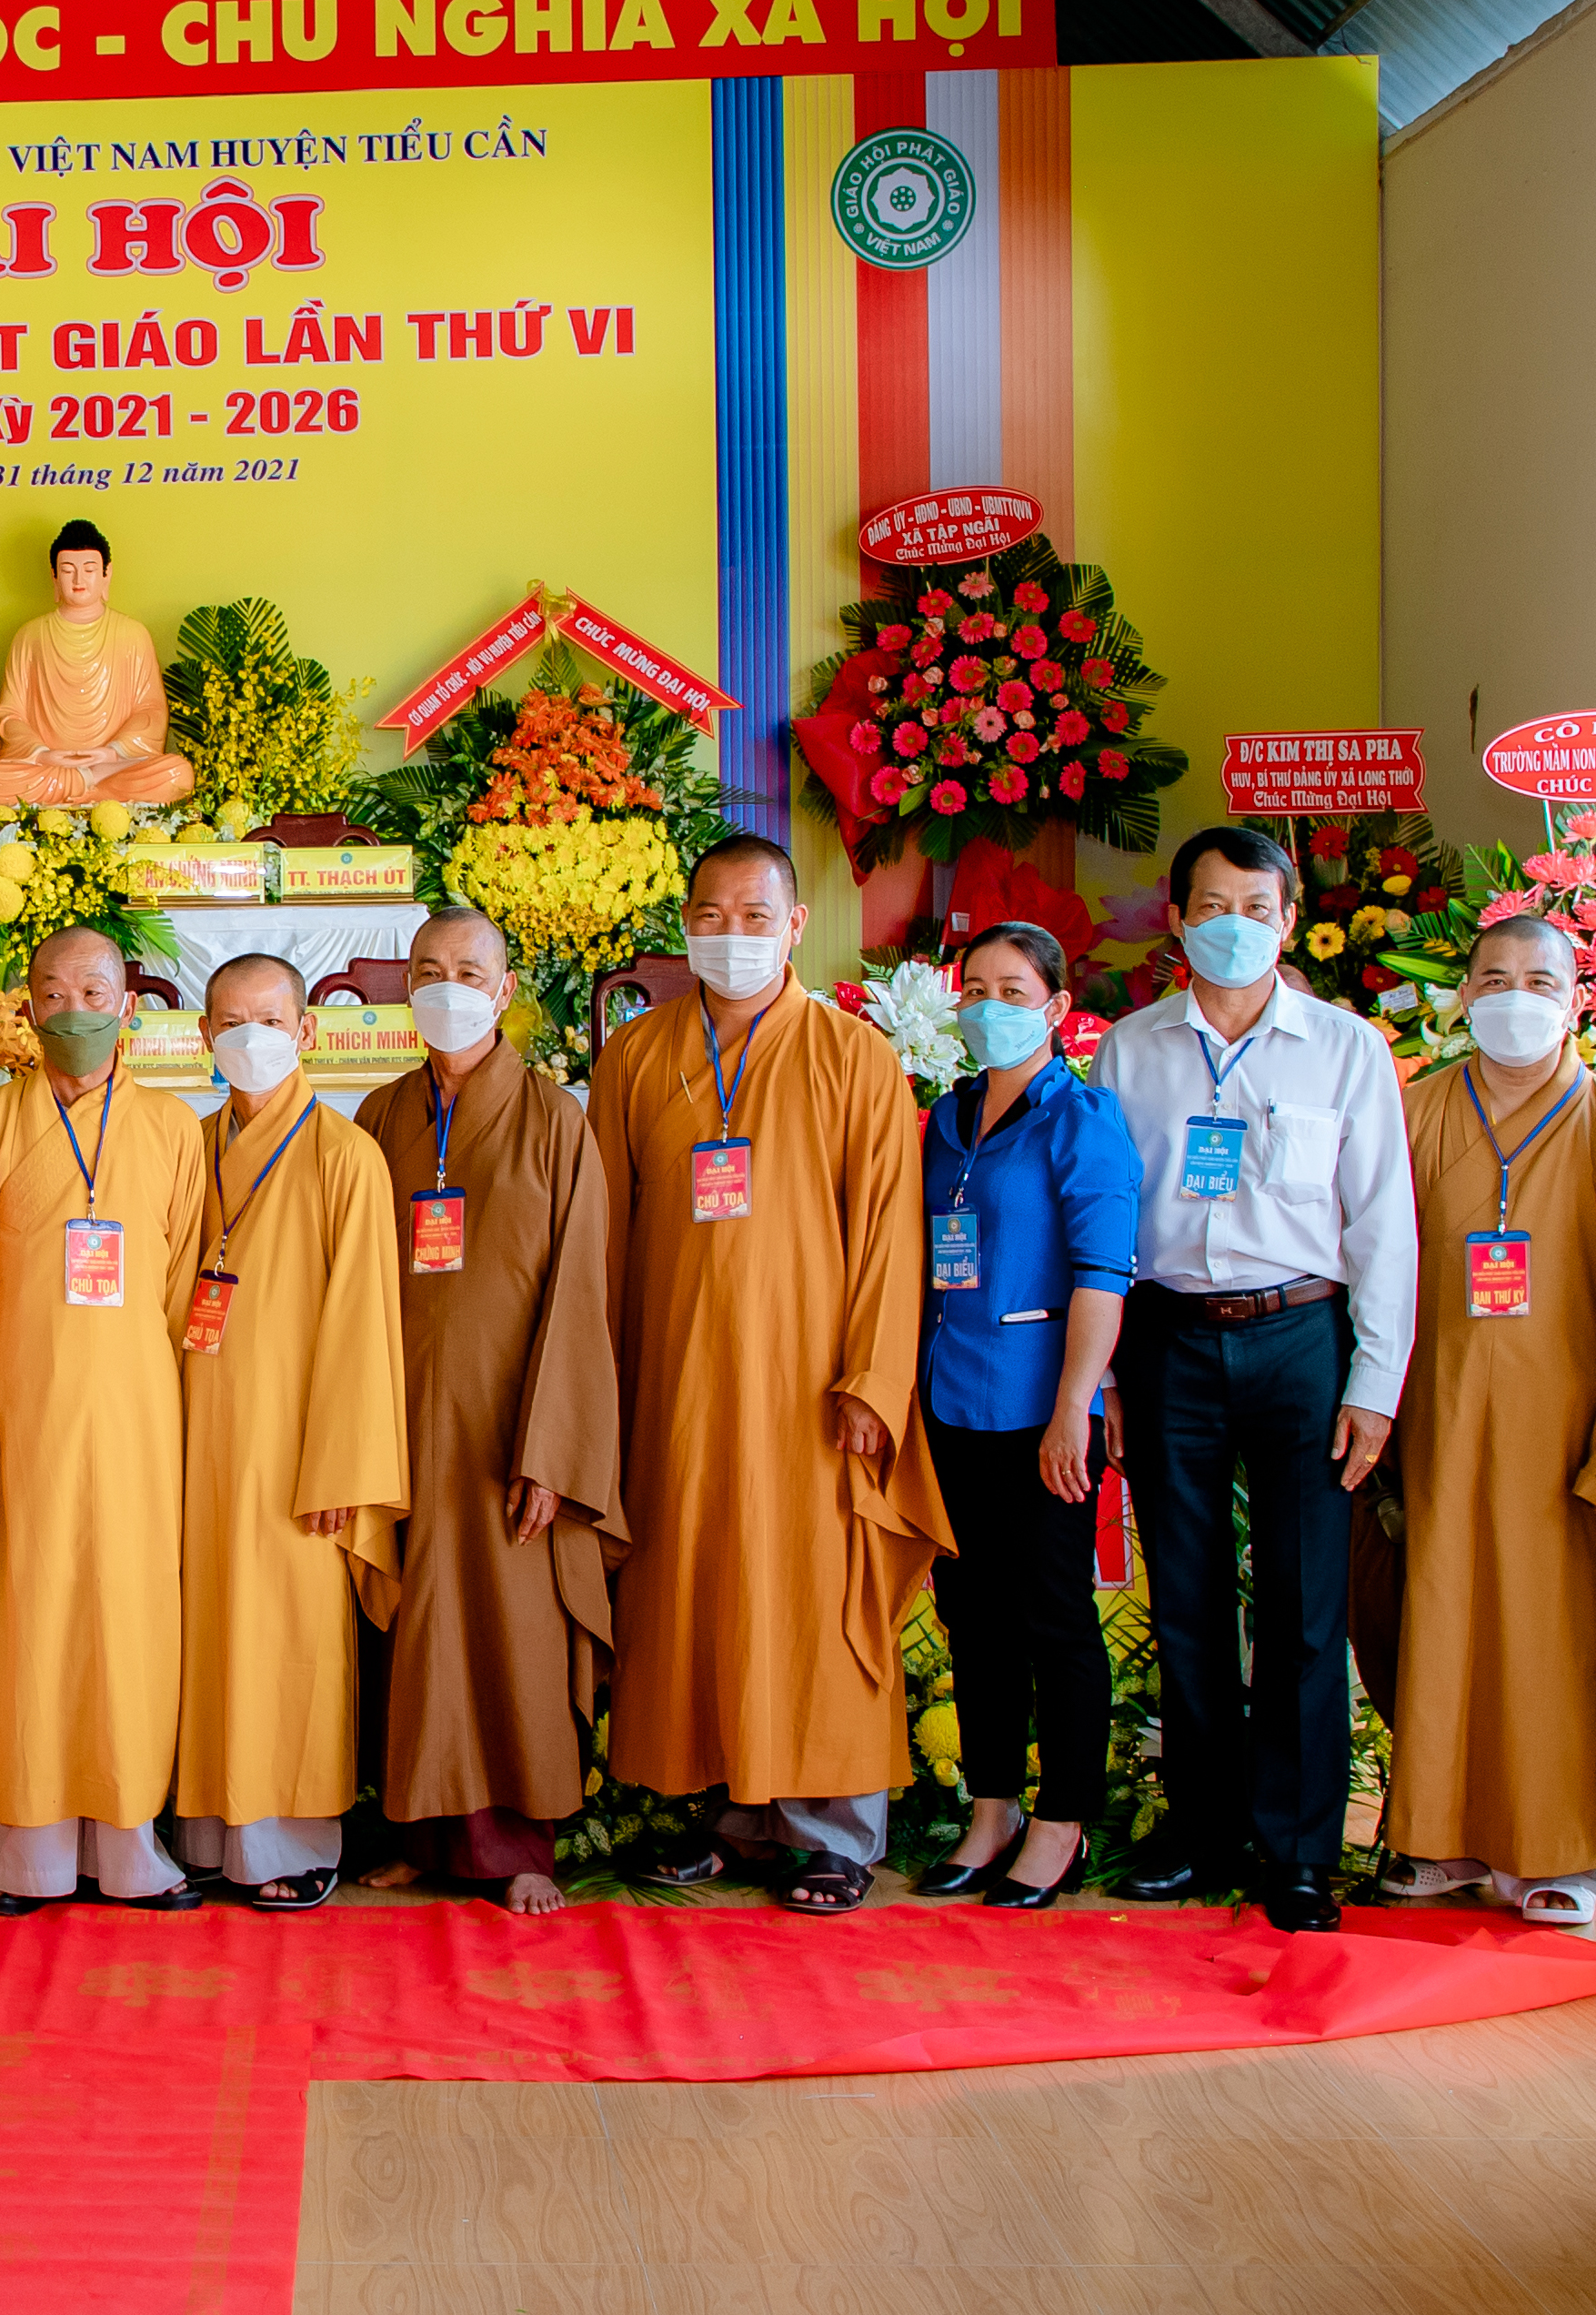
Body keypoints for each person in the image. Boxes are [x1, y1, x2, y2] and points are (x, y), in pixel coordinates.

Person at [605, 836, 937, 1915]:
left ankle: (832, 1826)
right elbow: (607, 1231)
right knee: (698, 1585)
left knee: (810, 1589)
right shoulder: (636, 1054)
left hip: (811, 1389)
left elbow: (892, 1232)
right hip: (677, 1381)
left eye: (756, 916)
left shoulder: (852, 1055)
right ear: (684, 921)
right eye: (712, 913)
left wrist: (875, 1379)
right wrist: (602, 1384)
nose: (732, 935)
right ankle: (726, 1809)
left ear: (796, 927)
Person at [1099, 825, 1416, 1932]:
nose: (1232, 923)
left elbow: (1382, 1223)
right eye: (1209, 904)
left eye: (1255, 904)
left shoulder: (1346, 1048)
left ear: (1287, 921)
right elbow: (1107, 1218)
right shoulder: (1129, 1050)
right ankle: (1201, 1829)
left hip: (1299, 1340)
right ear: (1177, 918)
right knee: (1183, 1598)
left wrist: (1374, 1382)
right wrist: (1110, 1380)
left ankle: (1296, 1851)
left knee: (1300, 1604)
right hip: (1169, 1336)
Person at [1375, 915, 1596, 1926]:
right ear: (1461, 995)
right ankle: (1435, 1833)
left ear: (1578, 997)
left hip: (1565, 1419)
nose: (1515, 994)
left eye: (1540, 978)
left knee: (1556, 1627)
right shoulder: (1410, 1111)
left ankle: (1560, 1846)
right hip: (1438, 1411)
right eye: (1493, 976)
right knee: (1442, 1608)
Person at [351, 907, 620, 1913]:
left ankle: (517, 1847)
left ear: (505, 990)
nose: (447, 984)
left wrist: (553, 1448)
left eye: (469, 969)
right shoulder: (380, 1117)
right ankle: (419, 1833)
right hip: (405, 1421)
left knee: (510, 1635)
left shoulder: (557, 1120)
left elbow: (579, 1298)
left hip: (511, 1431)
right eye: (429, 968)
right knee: (415, 1632)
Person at [0, 924, 213, 1910]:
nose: (74, 1011)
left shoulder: (176, 1127)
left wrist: (185, 1405)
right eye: (52, 994)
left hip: (142, 1414)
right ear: (25, 1006)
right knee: (32, 1610)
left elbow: (190, 1290)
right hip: (24, 1413)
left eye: (94, 990)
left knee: (131, 1613)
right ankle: (26, 1840)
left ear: (129, 1008)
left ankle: (131, 1830)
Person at [166, 956, 405, 1911]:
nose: (248, 1037)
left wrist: (342, 1461)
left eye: (268, 1019)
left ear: (306, 1033)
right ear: (203, 1037)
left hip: (299, 1451)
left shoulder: (347, 1157)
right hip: (193, 1437)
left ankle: (294, 1839)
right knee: (205, 1635)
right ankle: (207, 1834)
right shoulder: (188, 1143)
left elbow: (364, 1325)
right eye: (229, 1021)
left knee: (289, 1639)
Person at [908, 923, 1133, 1913]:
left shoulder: (1082, 1118)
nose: (989, 1006)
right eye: (976, 988)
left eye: (1014, 989)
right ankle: (991, 1807)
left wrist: (1074, 1408)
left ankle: (1062, 1821)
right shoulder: (948, 1118)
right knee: (975, 1617)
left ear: (1053, 1007)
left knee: (1053, 1617)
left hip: (1040, 1412)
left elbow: (1103, 1274)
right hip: (951, 1401)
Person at [0, 518, 197, 807]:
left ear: (107, 574)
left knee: (176, 774)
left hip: (113, 764)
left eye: (90, 570)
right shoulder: (30, 636)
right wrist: (43, 754)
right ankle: (90, 786)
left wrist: (112, 753)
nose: (79, 580)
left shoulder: (132, 634)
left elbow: (151, 710)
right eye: (68, 571)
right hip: (47, 766)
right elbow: (10, 716)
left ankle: (81, 787)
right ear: (54, 576)